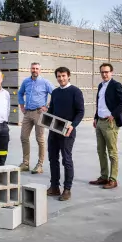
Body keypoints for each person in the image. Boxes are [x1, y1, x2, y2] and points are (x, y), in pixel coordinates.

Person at [46, 67, 84, 201]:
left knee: (66, 160)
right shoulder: (55, 92)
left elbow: (80, 112)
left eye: (63, 76)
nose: (61, 78)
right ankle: (54, 187)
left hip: (67, 131)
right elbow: (51, 110)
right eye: (58, 76)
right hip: (54, 130)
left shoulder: (75, 91)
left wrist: (72, 126)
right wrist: (45, 118)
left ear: (68, 76)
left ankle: (67, 189)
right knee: (52, 159)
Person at [89, 63, 122, 189]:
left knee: (112, 152)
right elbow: (100, 104)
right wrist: (96, 117)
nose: (104, 74)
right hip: (100, 122)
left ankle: (113, 179)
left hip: (110, 123)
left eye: (107, 72)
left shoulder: (116, 85)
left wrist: (113, 115)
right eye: (102, 72)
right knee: (101, 151)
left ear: (112, 72)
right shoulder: (101, 85)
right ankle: (104, 177)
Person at [18, 62, 55, 174]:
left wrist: (47, 107)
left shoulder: (45, 82)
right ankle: (25, 163)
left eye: (37, 68)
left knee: (40, 139)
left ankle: (39, 165)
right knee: (24, 137)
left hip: (39, 113)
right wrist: (22, 106)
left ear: (40, 70)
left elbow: (55, 94)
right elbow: (20, 93)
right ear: (30, 69)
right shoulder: (26, 82)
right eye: (33, 68)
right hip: (27, 113)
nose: (35, 70)